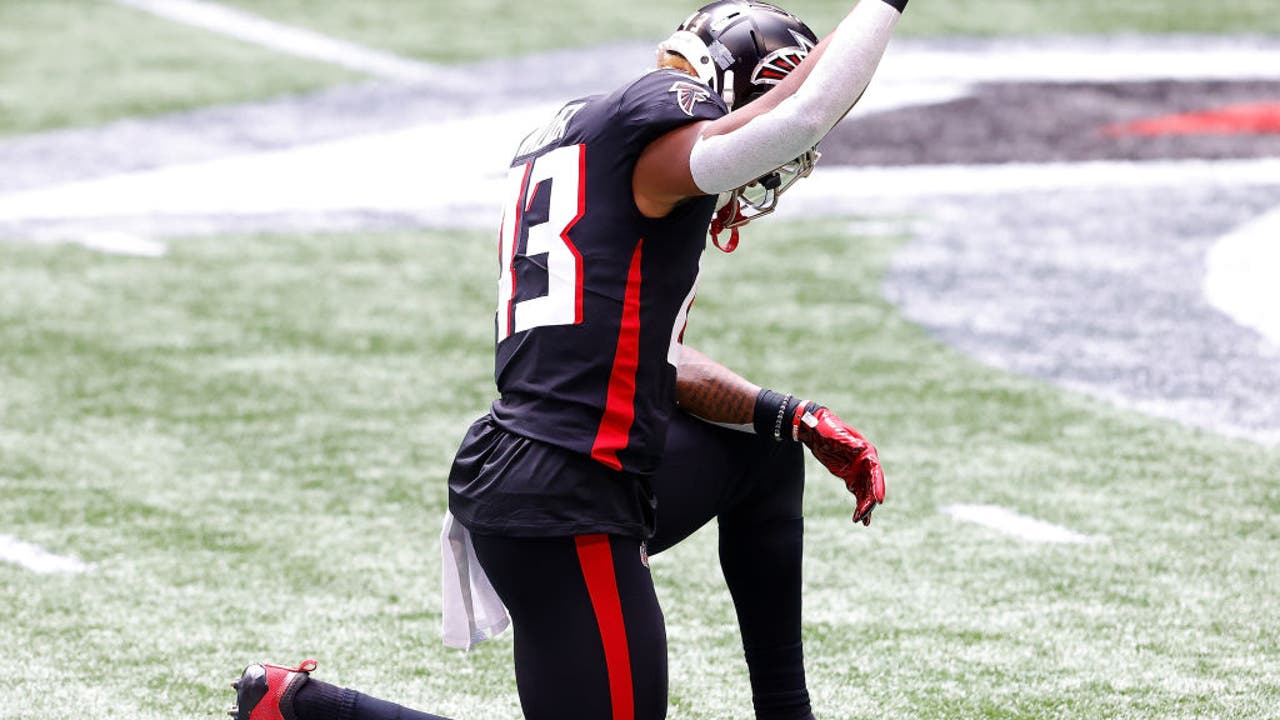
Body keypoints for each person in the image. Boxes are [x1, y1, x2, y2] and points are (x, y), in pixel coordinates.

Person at [228, 1, 907, 719]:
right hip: (567, 491)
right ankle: (308, 709)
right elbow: (798, 115)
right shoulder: (655, 118)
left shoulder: (592, 134)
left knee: (764, 448)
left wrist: (791, 415)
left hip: (541, 464)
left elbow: (658, 356)